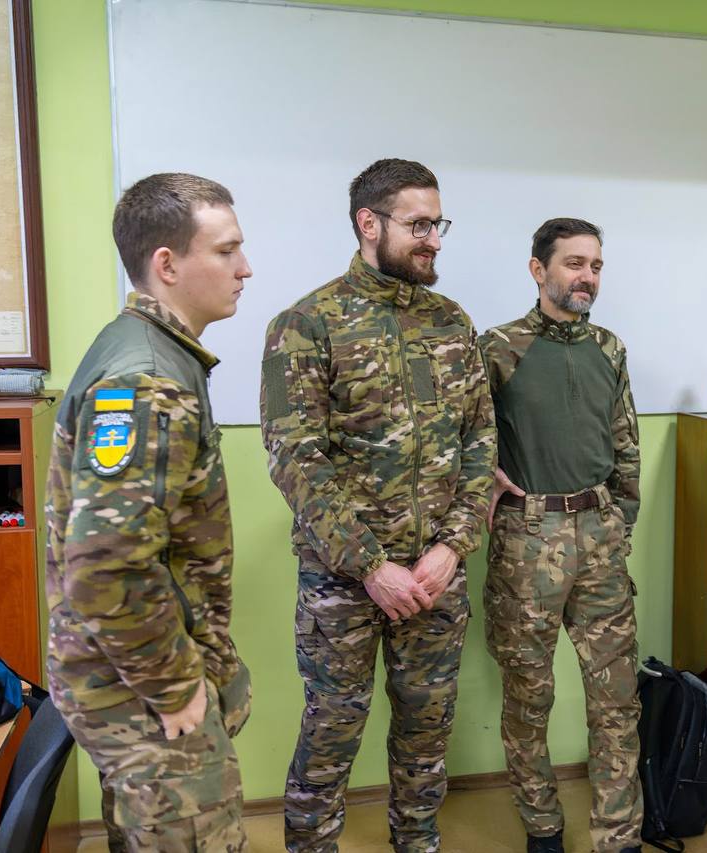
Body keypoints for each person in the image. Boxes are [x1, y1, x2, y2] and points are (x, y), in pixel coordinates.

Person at [260, 158, 496, 853]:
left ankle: (417, 843)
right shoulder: (306, 324)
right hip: (344, 581)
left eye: (438, 224)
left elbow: (481, 440)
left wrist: (452, 547)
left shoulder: (452, 323)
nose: (434, 240)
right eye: (419, 225)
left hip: (434, 577)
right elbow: (296, 460)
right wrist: (370, 565)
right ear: (370, 223)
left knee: (427, 734)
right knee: (331, 732)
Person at [45, 172, 254, 850]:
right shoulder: (148, 379)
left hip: (127, 666)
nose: (245, 268)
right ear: (167, 264)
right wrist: (173, 686)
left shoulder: (152, 351)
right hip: (137, 680)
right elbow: (106, 565)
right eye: (226, 250)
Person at [479, 218, 643, 853]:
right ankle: (543, 828)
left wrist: (620, 523)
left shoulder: (609, 348)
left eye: (595, 266)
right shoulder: (499, 348)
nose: (587, 277)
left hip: (600, 532)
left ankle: (618, 835)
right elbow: (467, 437)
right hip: (528, 537)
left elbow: (626, 444)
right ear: (538, 269)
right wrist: (484, 478)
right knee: (529, 695)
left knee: (616, 698)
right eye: (574, 264)